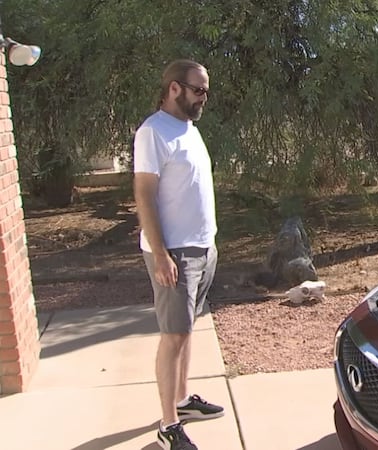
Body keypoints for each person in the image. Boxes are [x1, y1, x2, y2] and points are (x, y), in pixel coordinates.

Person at [133, 59, 223, 450]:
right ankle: (168, 425)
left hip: (203, 247)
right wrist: (160, 253)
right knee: (172, 336)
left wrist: (210, 243)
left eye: (205, 91)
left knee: (186, 331)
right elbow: (144, 196)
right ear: (174, 88)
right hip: (175, 252)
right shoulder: (153, 132)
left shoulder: (189, 129)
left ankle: (183, 401)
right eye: (197, 90)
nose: (203, 97)